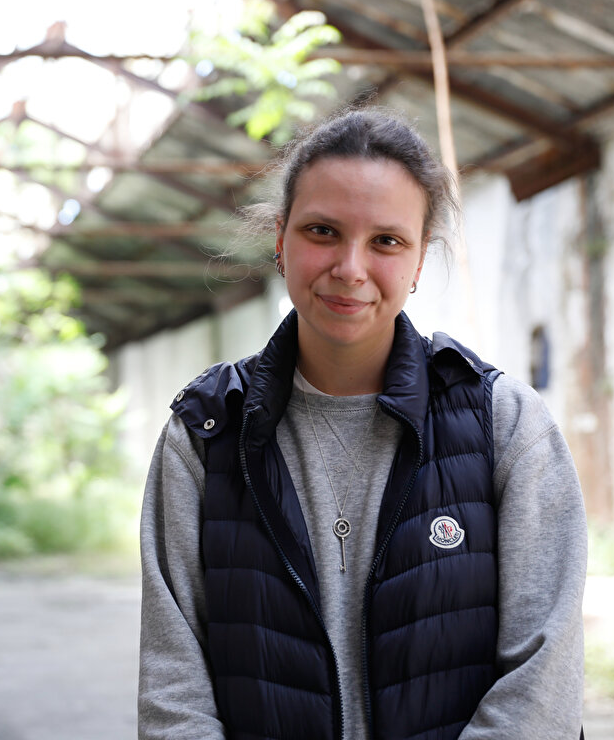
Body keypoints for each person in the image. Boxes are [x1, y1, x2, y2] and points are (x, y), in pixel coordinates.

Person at [138, 109, 587, 740]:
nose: (350, 267)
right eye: (323, 230)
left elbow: (543, 684)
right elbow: (172, 684)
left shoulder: (504, 424)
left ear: (419, 260)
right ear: (280, 239)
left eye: (386, 241)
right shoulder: (205, 432)